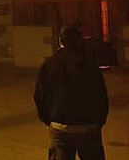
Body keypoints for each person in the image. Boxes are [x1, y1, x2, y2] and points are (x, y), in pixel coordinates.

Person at [34, 24, 109, 160]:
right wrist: (99, 120)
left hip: (60, 127)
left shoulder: (50, 64)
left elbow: (40, 95)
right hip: (89, 126)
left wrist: (48, 120)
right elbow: (101, 94)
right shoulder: (90, 63)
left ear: (61, 40)